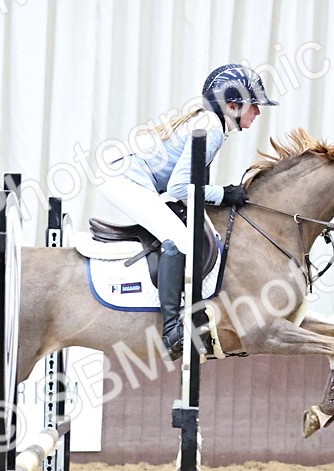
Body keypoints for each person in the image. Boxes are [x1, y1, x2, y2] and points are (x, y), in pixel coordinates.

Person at [102, 64, 278, 360]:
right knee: (179, 242)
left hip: (133, 179)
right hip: (125, 181)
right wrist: (223, 194)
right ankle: (172, 330)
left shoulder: (213, 124)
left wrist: (219, 195)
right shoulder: (211, 127)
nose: (258, 113)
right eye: (254, 106)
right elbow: (182, 186)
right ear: (232, 105)